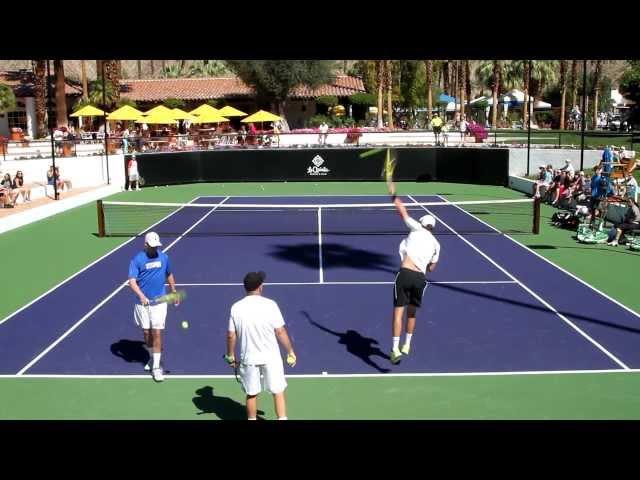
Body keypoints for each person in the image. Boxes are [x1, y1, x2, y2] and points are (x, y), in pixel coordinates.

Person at [225, 271, 296, 420]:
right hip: (271, 357)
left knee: (251, 393)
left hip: (248, 358)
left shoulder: (235, 307)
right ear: (260, 287)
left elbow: (231, 334)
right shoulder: (271, 305)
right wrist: (290, 351)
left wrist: (230, 355)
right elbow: (280, 331)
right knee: (278, 392)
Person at [387, 184, 440, 364]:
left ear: (423, 224)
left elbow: (401, 210)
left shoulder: (416, 228)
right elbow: (432, 268)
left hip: (405, 275)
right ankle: (407, 344)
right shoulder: (436, 245)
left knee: (398, 314)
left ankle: (395, 349)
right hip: (420, 279)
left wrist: (393, 193)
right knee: (412, 313)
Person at [128, 232, 179, 382]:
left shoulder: (164, 257)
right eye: (152, 246)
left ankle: (156, 367)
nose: (155, 249)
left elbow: (169, 273)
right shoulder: (137, 260)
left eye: (156, 246)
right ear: (145, 245)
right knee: (146, 333)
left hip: (159, 302)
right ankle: (152, 357)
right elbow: (132, 281)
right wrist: (141, 296)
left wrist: (174, 290)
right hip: (142, 303)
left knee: (157, 333)